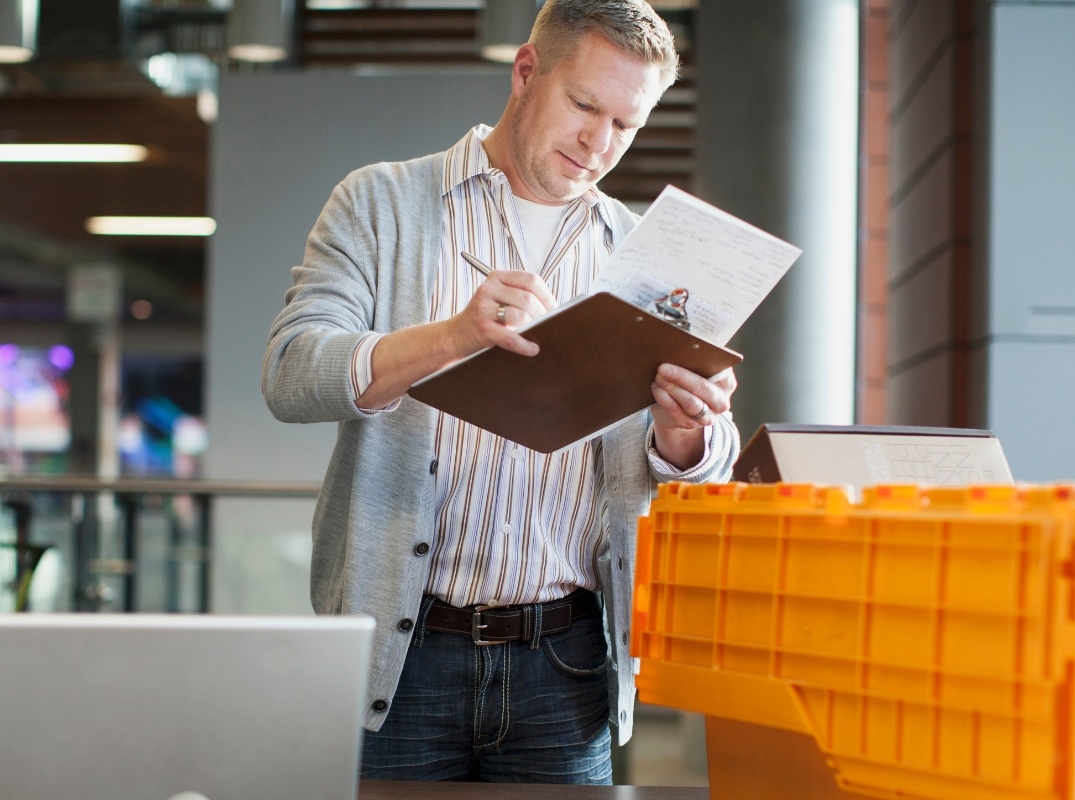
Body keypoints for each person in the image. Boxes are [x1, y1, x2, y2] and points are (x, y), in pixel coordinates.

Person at [261, 0, 739, 784]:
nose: (599, 143)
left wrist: (683, 432)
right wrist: (452, 336)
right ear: (526, 72)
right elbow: (291, 372)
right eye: (584, 105)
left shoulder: (644, 255)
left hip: (569, 662)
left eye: (626, 123)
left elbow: (701, 463)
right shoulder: (380, 204)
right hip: (400, 660)